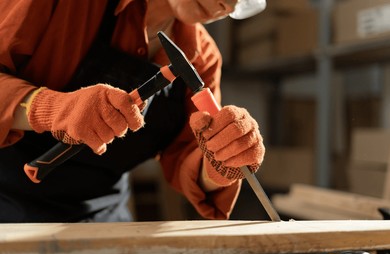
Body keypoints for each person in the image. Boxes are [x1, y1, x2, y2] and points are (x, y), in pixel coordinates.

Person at [0, 0, 266, 222]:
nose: (226, 3)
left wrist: (221, 162)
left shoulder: (204, 58)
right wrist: (51, 108)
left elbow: (189, 156)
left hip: (103, 218)